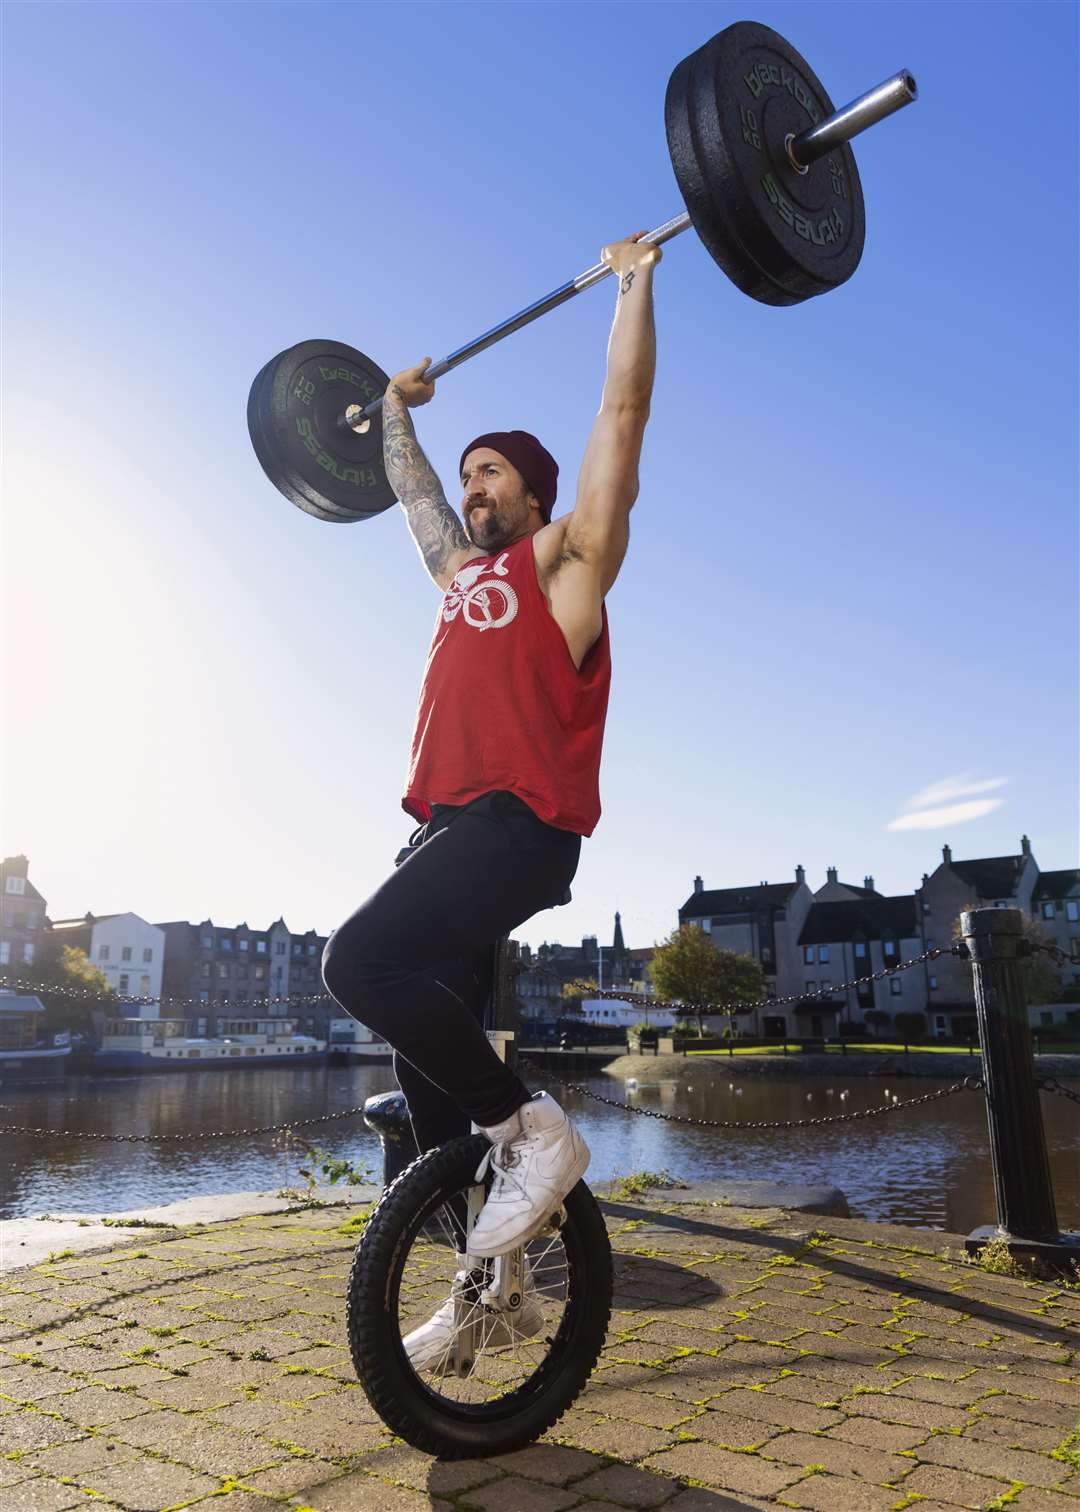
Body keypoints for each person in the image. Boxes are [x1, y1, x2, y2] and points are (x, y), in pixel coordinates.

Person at [321, 231, 659, 1290]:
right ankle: (493, 1289)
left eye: (492, 471)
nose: (471, 487)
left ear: (536, 496)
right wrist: (396, 407)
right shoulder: (463, 575)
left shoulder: (564, 577)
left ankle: (537, 1131)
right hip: (443, 833)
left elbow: (620, 420)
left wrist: (633, 288)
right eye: (469, 473)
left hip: (515, 829)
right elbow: (409, 494)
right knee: (427, 1090)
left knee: (355, 963)